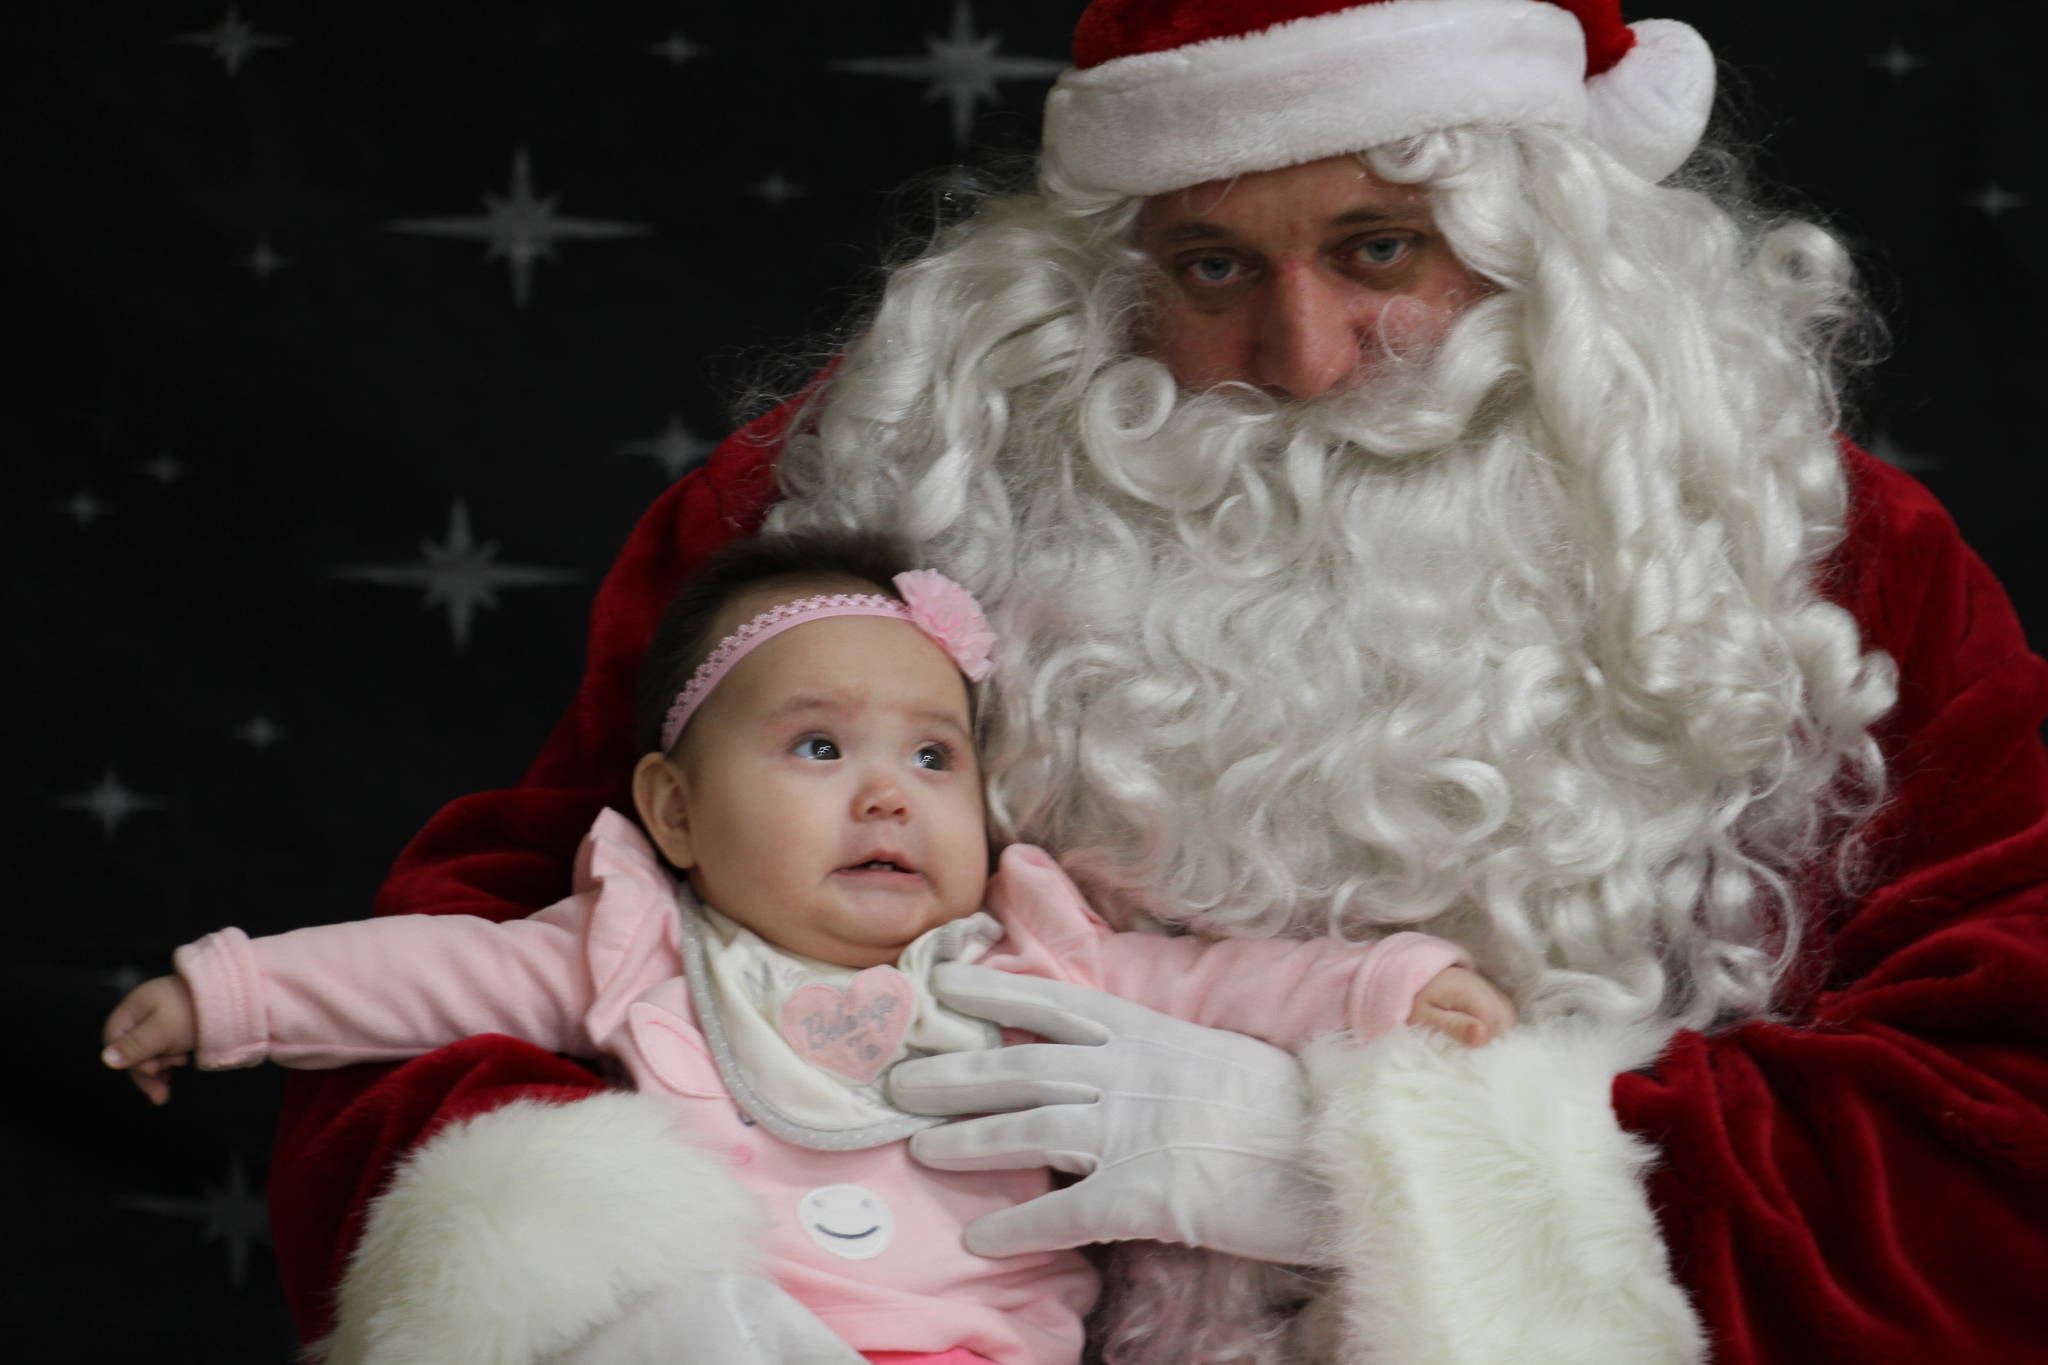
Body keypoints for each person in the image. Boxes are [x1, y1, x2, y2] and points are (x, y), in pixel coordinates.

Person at [233, 1, 2048, 1361]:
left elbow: (2005, 1127)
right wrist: (639, 1285)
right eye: (1208, 267)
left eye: (1379, 249)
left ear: (1549, 248)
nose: (1303, 355)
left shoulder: (1807, 545)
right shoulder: (861, 496)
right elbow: (505, 943)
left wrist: (1339, 1160)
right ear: (1104, 271)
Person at [101, 533, 1515, 1365]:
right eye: (819, 747)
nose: (886, 791)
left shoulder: (1025, 955)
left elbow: (1220, 983)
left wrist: (1391, 985)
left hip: (979, 1352)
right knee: (681, 1328)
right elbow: (417, 971)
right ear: (677, 810)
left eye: (931, 754)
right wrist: (223, 991)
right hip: (752, 1331)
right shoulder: (639, 947)